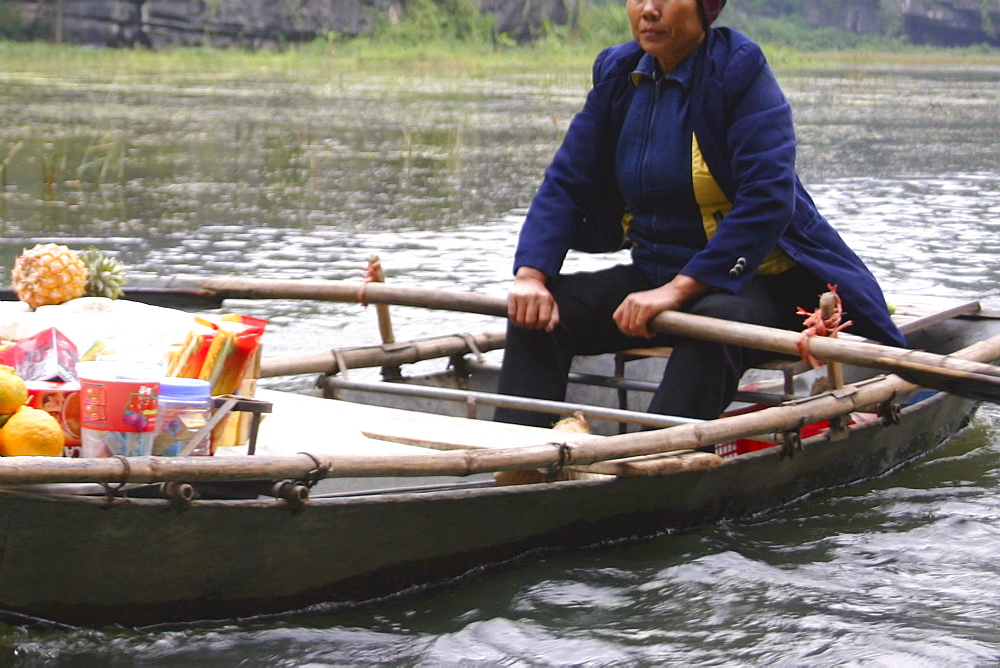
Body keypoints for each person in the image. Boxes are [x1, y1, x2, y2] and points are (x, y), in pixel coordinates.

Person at [493, 0, 904, 427]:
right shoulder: (618, 72)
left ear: (704, 8)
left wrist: (676, 292)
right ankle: (519, 461)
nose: (648, 10)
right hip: (655, 277)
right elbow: (565, 182)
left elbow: (769, 199)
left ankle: (655, 462)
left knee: (713, 325)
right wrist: (531, 276)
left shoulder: (738, 71)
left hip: (757, 285)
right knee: (538, 314)